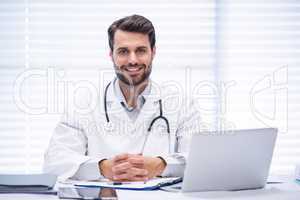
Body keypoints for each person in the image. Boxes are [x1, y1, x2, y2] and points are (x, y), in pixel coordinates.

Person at [43, 14, 201, 181]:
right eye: (123, 51)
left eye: (141, 51)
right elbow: (54, 161)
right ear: (111, 55)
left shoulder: (181, 104)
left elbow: (201, 162)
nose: (132, 60)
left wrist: (161, 165)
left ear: (153, 53)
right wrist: (102, 168)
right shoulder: (83, 104)